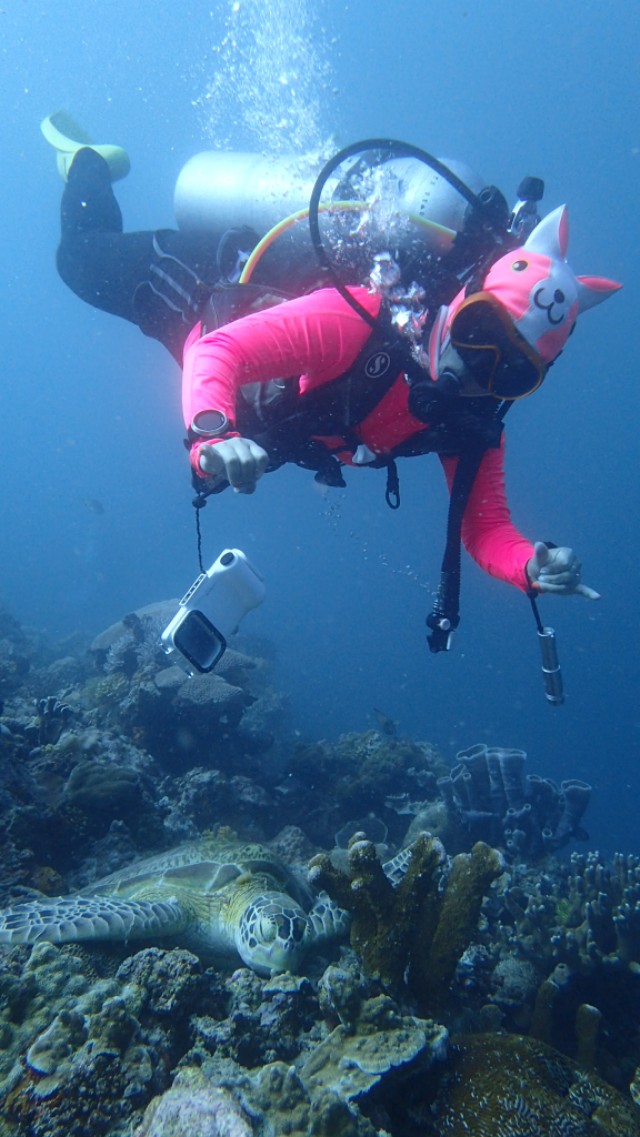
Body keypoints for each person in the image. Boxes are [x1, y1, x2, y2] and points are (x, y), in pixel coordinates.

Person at [41, 112, 621, 643]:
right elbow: (220, 352)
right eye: (478, 334)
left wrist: (530, 565)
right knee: (80, 258)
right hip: (199, 291)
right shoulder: (362, 319)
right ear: (463, 298)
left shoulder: (469, 422)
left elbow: (486, 529)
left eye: (512, 371)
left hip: (257, 396)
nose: (476, 369)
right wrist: (211, 438)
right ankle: (87, 160)